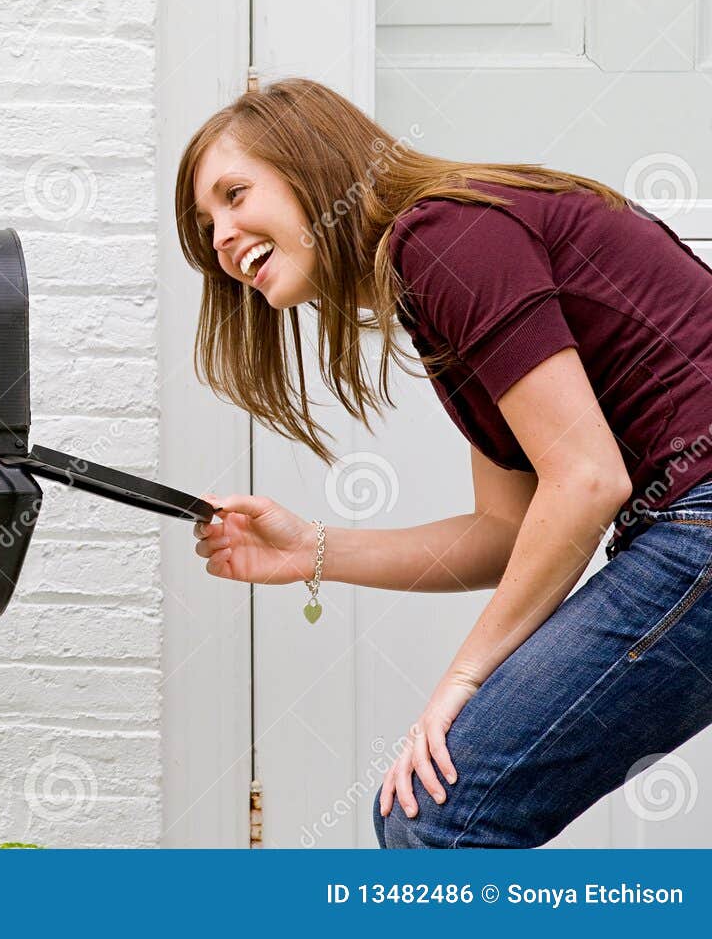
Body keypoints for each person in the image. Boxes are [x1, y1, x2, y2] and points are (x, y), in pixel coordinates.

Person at [176, 77, 712, 848]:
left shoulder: (445, 235)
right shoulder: (440, 255)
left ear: (312, 164)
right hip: (685, 520)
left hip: (697, 517)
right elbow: (504, 530)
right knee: (431, 815)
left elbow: (589, 480)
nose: (222, 236)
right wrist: (312, 549)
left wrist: (462, 679)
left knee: (436, 814)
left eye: (235, 193)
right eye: (207, 223)